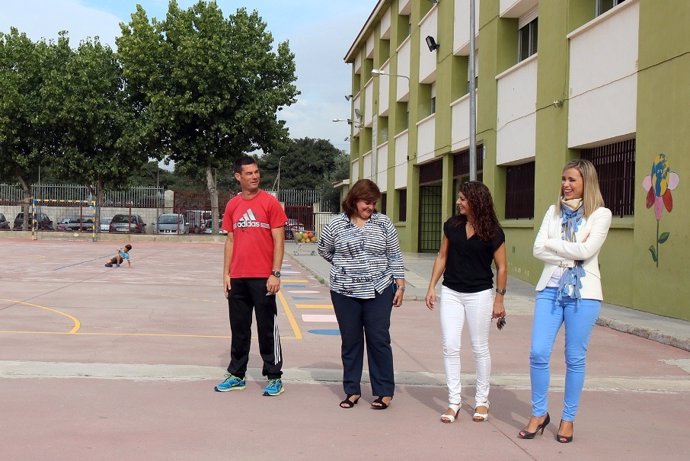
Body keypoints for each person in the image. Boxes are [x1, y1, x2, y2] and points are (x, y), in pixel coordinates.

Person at [518, 159, 612, 443]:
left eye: (572, 180)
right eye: (563, 179)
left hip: (584, 293)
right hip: (549, 289)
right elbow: (537, 249)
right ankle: (539, 413)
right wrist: (571, 254)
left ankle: (568, 418)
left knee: (574, 357)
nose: (565, 185)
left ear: (586, 182)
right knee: (537, 352)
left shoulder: (601, 215)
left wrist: (554, 245)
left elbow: (587, 250)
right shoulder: (552, 211)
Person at [318, 179, 405, 410]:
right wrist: (345, 267)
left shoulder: (384, 223)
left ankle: (384, 391)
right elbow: (324, 250)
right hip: (344, 292)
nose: (371, 207)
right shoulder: (336, 225)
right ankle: (352, 390)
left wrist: (400, 283)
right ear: (354, 200)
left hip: (380, 289)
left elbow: (394, 254)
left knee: (379, 339)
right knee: (351, 341)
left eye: (374, 203)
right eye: (367, 202)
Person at [425, 181, 507, 424]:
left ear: (476, 201)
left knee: (479, 347)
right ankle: (454, 402)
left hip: (480, 294)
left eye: (463, 198)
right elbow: (442, 256)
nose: (458, 202)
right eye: (459, 198)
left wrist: (500, 299)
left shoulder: (493, 230)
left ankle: (482, 401)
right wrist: (432, 286)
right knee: (450, 346)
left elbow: (502, 267)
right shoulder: (452, 225)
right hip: (451, 291)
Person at [215, 156, 288, 397]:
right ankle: (237, 374)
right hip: (238, 277)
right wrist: (226, 273)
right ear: (238, 177)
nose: (255, 176)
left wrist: (275, 273)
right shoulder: (232, 205)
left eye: (257, 172)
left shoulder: (270, 203)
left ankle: (274, 376)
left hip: (263, 278)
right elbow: (231, 239)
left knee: (267, 328)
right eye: (249, 173)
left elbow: (279, 240)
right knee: (239, 329)